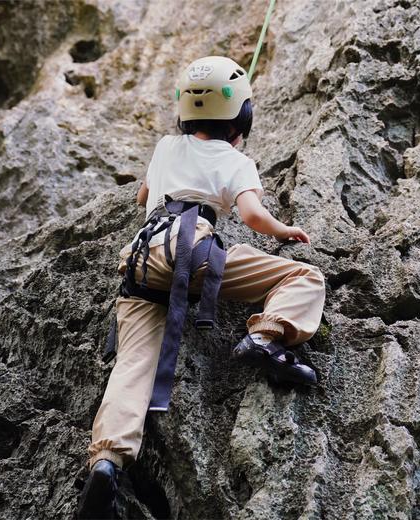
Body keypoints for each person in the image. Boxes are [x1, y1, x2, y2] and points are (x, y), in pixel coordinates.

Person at [77, 56, 325, 519]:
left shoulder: (166, 148)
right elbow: (251, 215)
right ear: (243, 116)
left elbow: (143, 198)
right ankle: (264, 338)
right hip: (192, 255)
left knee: (132, 366)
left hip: (140, 262)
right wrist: (283, 230)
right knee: (303, 276)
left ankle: (106, 464)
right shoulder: (237, 161)